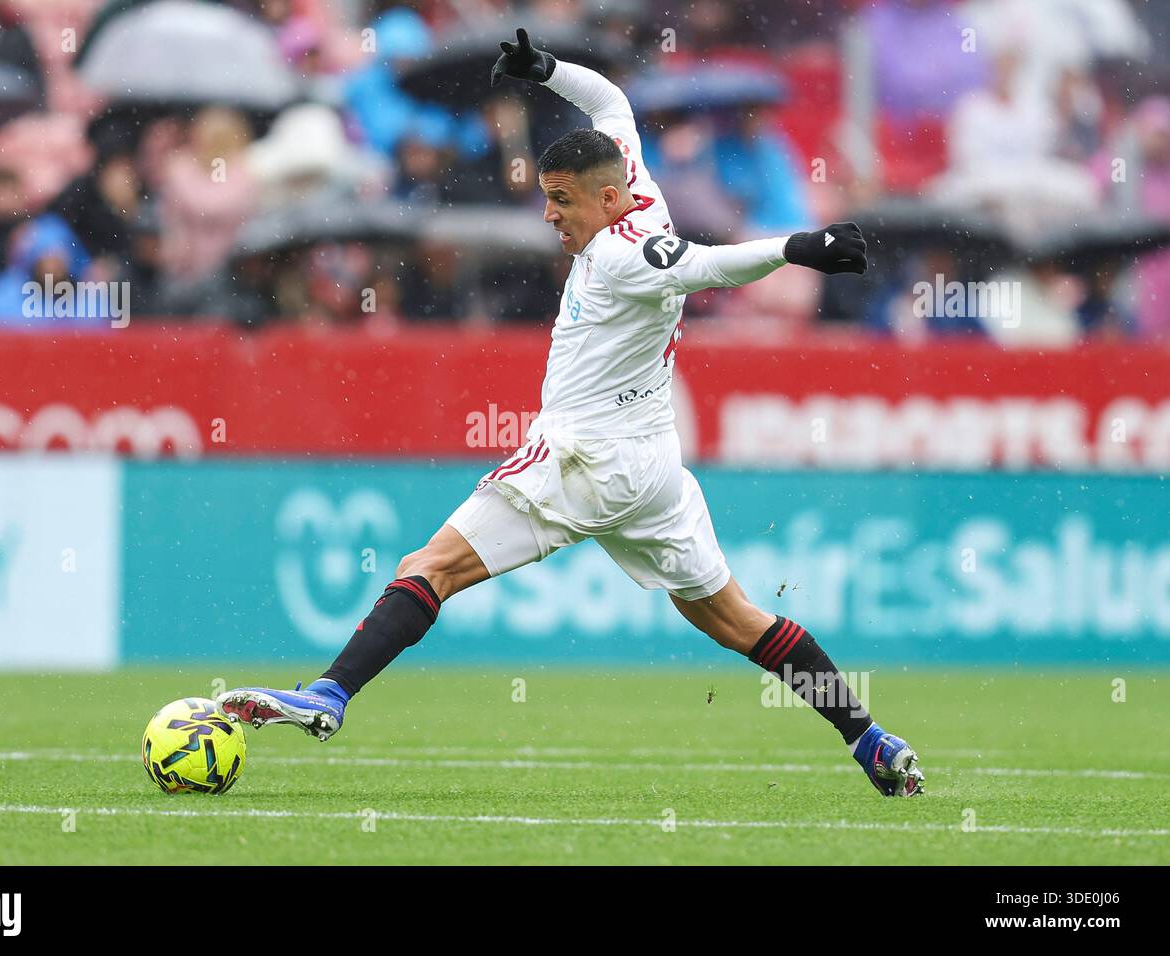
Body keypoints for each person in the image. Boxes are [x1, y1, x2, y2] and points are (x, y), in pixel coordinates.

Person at [219, 29, 924, 797]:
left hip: (584, 458)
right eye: (548, 198)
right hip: (653, 467)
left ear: (607, 198)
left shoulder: (628, 251)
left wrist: (799, 245)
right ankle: (870, 739)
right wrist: (546, 71)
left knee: (428, 568)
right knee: (735, 619)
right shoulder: (635, 183)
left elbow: (705, 266)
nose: (551, 217)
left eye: (562, 202)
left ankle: (329, 695)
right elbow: (611, 100)